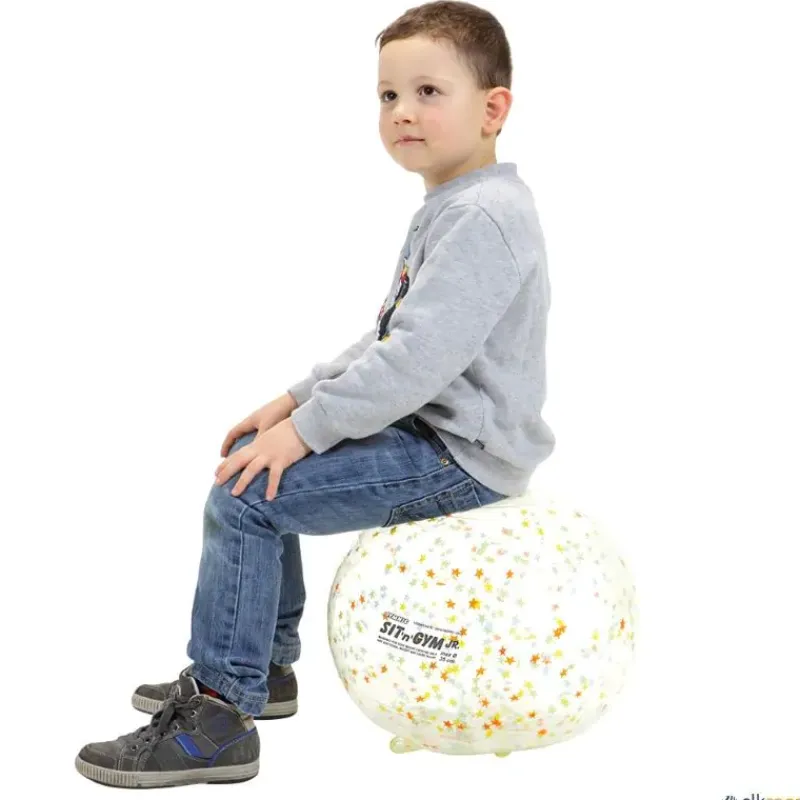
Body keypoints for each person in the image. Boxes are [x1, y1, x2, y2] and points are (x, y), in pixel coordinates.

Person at [75, 0, 555, 788]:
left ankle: (219, 715)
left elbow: (415, 363)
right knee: (253, 458)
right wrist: (297, 401)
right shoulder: (458, 206)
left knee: (246, 495)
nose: (402, 112)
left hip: (460, 457)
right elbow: (392, 336)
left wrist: (307, 433)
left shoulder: (483, 218)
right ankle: (262, 665)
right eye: (388, 95)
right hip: (440, 436)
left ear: (493, 109)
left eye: (429, 92)